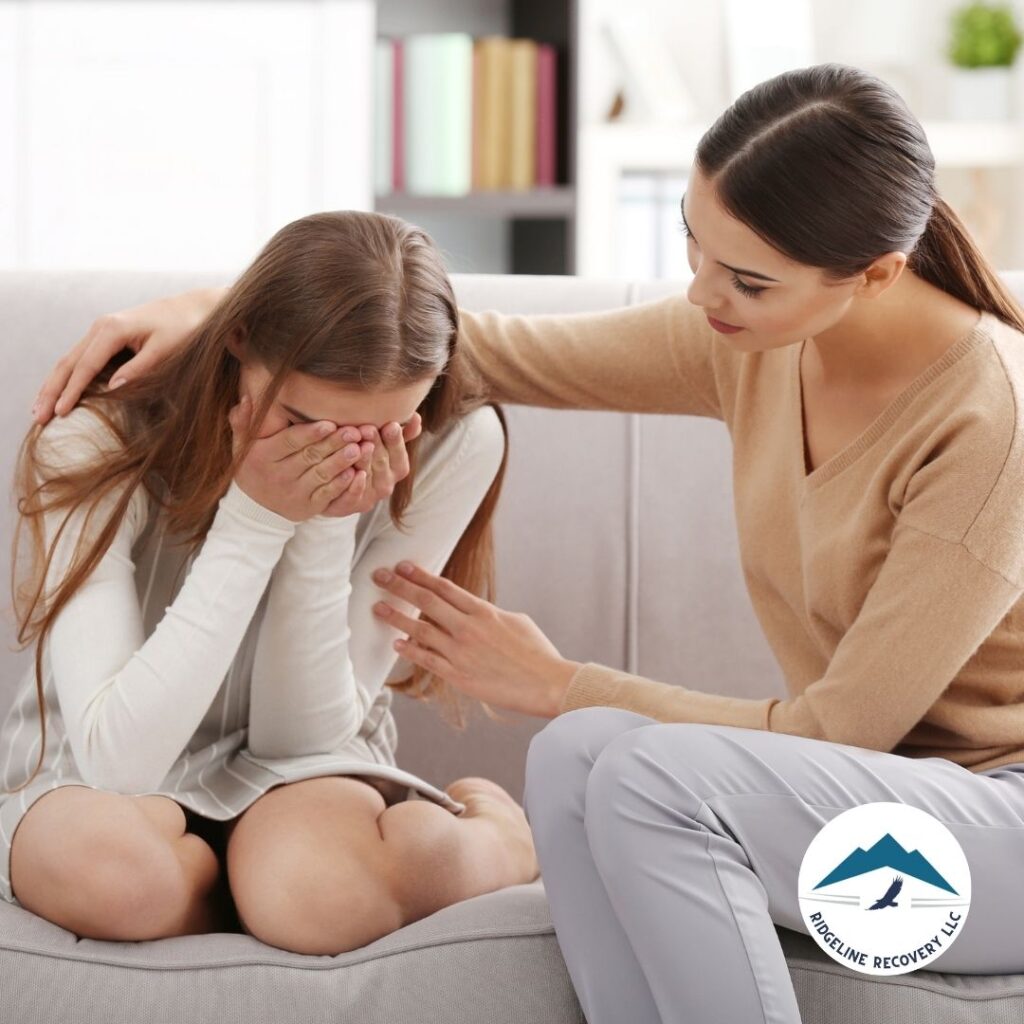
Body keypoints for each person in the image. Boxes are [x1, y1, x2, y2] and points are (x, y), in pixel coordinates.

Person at [30, 62, 1024, 1021]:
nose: (701, 295)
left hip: (980, 843)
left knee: (634, 767)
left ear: (878, 274)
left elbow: (841, 734)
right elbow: (455, 345)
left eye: (747, 280)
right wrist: (224, 315)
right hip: (841, 811)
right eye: (693, 244)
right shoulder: (763, 341)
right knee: (572, 760)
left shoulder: (988, 421)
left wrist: (559, 681)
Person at [5, 208, 540, 956]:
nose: (340, 455)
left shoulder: (457, 443)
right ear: (238, 341)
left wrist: (320, 523)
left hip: (301, 769)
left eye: (382, 432)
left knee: (320, 898)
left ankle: (500, 840)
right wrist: (256, 518)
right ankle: (248, 893)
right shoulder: (93, 437)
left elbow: (304, 736)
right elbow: (116, 762)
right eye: (302, 420)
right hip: (99, 766)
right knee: (114, 876)